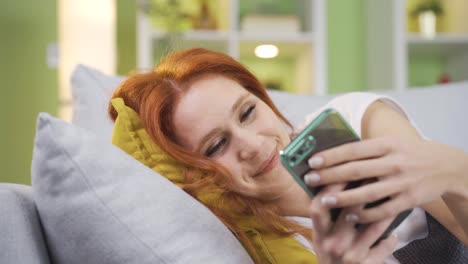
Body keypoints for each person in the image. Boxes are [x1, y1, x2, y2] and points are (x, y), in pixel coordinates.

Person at [108, 48, 468, 263]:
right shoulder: (261, 246)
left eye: (247, 112)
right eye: (216, 146)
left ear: (264, 99)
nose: (250, 144)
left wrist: (453, 173)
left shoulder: (352, 120)